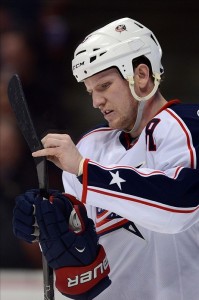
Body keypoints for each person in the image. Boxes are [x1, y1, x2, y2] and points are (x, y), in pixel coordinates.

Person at [12, 17, 199, 300]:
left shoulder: (187, 126)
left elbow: (180, 205)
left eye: (104, 86)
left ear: (141, 75)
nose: (95, 101)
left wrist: (84, 171)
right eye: (90, 91)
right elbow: (82, 265)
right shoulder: (90, 147)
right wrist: (49, 221)